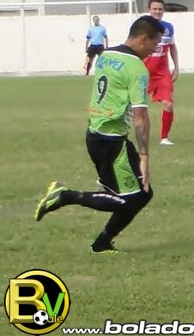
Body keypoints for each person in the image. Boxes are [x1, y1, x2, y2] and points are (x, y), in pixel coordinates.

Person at [34, 15, 165, 253]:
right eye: (155, 43)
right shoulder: (137, 68)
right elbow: (140, 116)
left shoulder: (106, 55)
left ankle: (102, 243)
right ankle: (65, 196)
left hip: (97, 134)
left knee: (143, 193)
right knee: (130, 199)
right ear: (144, 38)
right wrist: (144, 156)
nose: (155, 50)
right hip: (111, 141)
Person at [145, 0, 180, 146]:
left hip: (162, 73)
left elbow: (172, 47)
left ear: (164, 10)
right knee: (130, 105)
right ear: (149, 10)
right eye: (154, 9)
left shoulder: (168, 28)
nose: (157, 11)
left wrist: (176, 67)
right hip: (143, 72)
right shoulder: (142, 26)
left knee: (168, 104)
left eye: (160, 9)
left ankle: (164, 138)